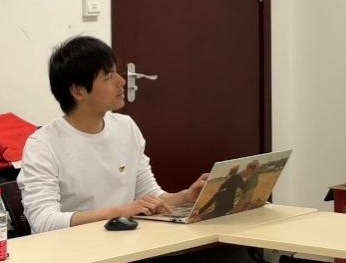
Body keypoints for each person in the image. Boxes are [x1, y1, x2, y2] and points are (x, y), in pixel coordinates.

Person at [18, 36, 208, 234]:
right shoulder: (43, 144)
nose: (121, 81)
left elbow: (149, 195)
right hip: (75, 247)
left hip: (126, 242)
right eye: (108, 76)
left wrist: (187, 197)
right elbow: (43, 221)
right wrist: (119, 212)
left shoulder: (126, 127)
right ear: (78, 91)